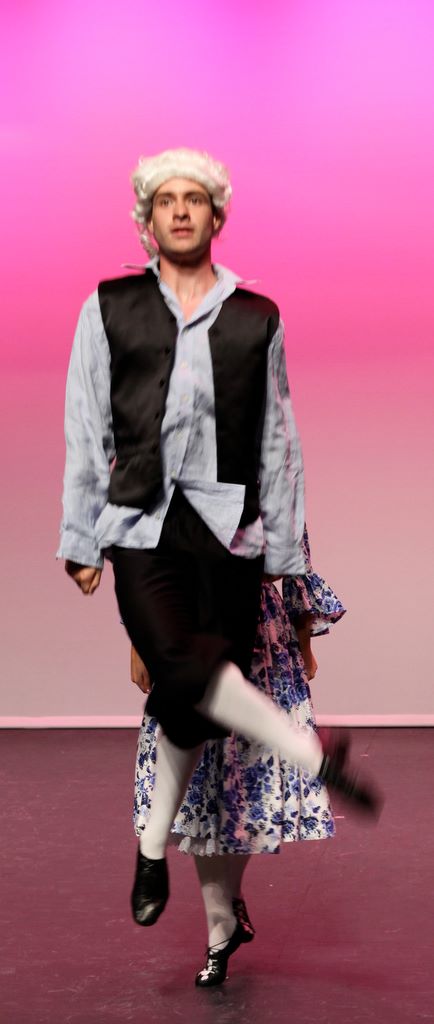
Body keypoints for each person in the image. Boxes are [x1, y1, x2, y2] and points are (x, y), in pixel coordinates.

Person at [58, 147, 378, 944]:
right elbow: (84, 425)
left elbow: (279, 444)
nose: (179, 210)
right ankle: (308, 753)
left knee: (193, 704)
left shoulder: (256, 316)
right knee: (180, 664)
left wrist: (287, 566)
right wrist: (81, 537)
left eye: (193, 198)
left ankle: (149, 850)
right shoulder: (108, 306)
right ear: (146, 218)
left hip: (232, 533)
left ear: (216, 215)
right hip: (140, 525)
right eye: (165, 199)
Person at [132, 530, 346, 986]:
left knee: (251, 788)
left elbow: (294, 562)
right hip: (186, 627)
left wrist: (304, 641)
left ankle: (226, 907)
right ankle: (220, 924)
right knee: (200, 786)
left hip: (257, 638)